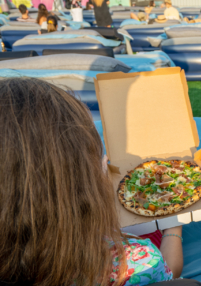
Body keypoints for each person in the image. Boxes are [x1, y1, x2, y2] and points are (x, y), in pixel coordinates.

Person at [0, 78, 184, 286]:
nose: (105, 161)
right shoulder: (137, 260)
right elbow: (169, 273)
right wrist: (173, 228)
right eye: (97, 154)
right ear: (83, 183)